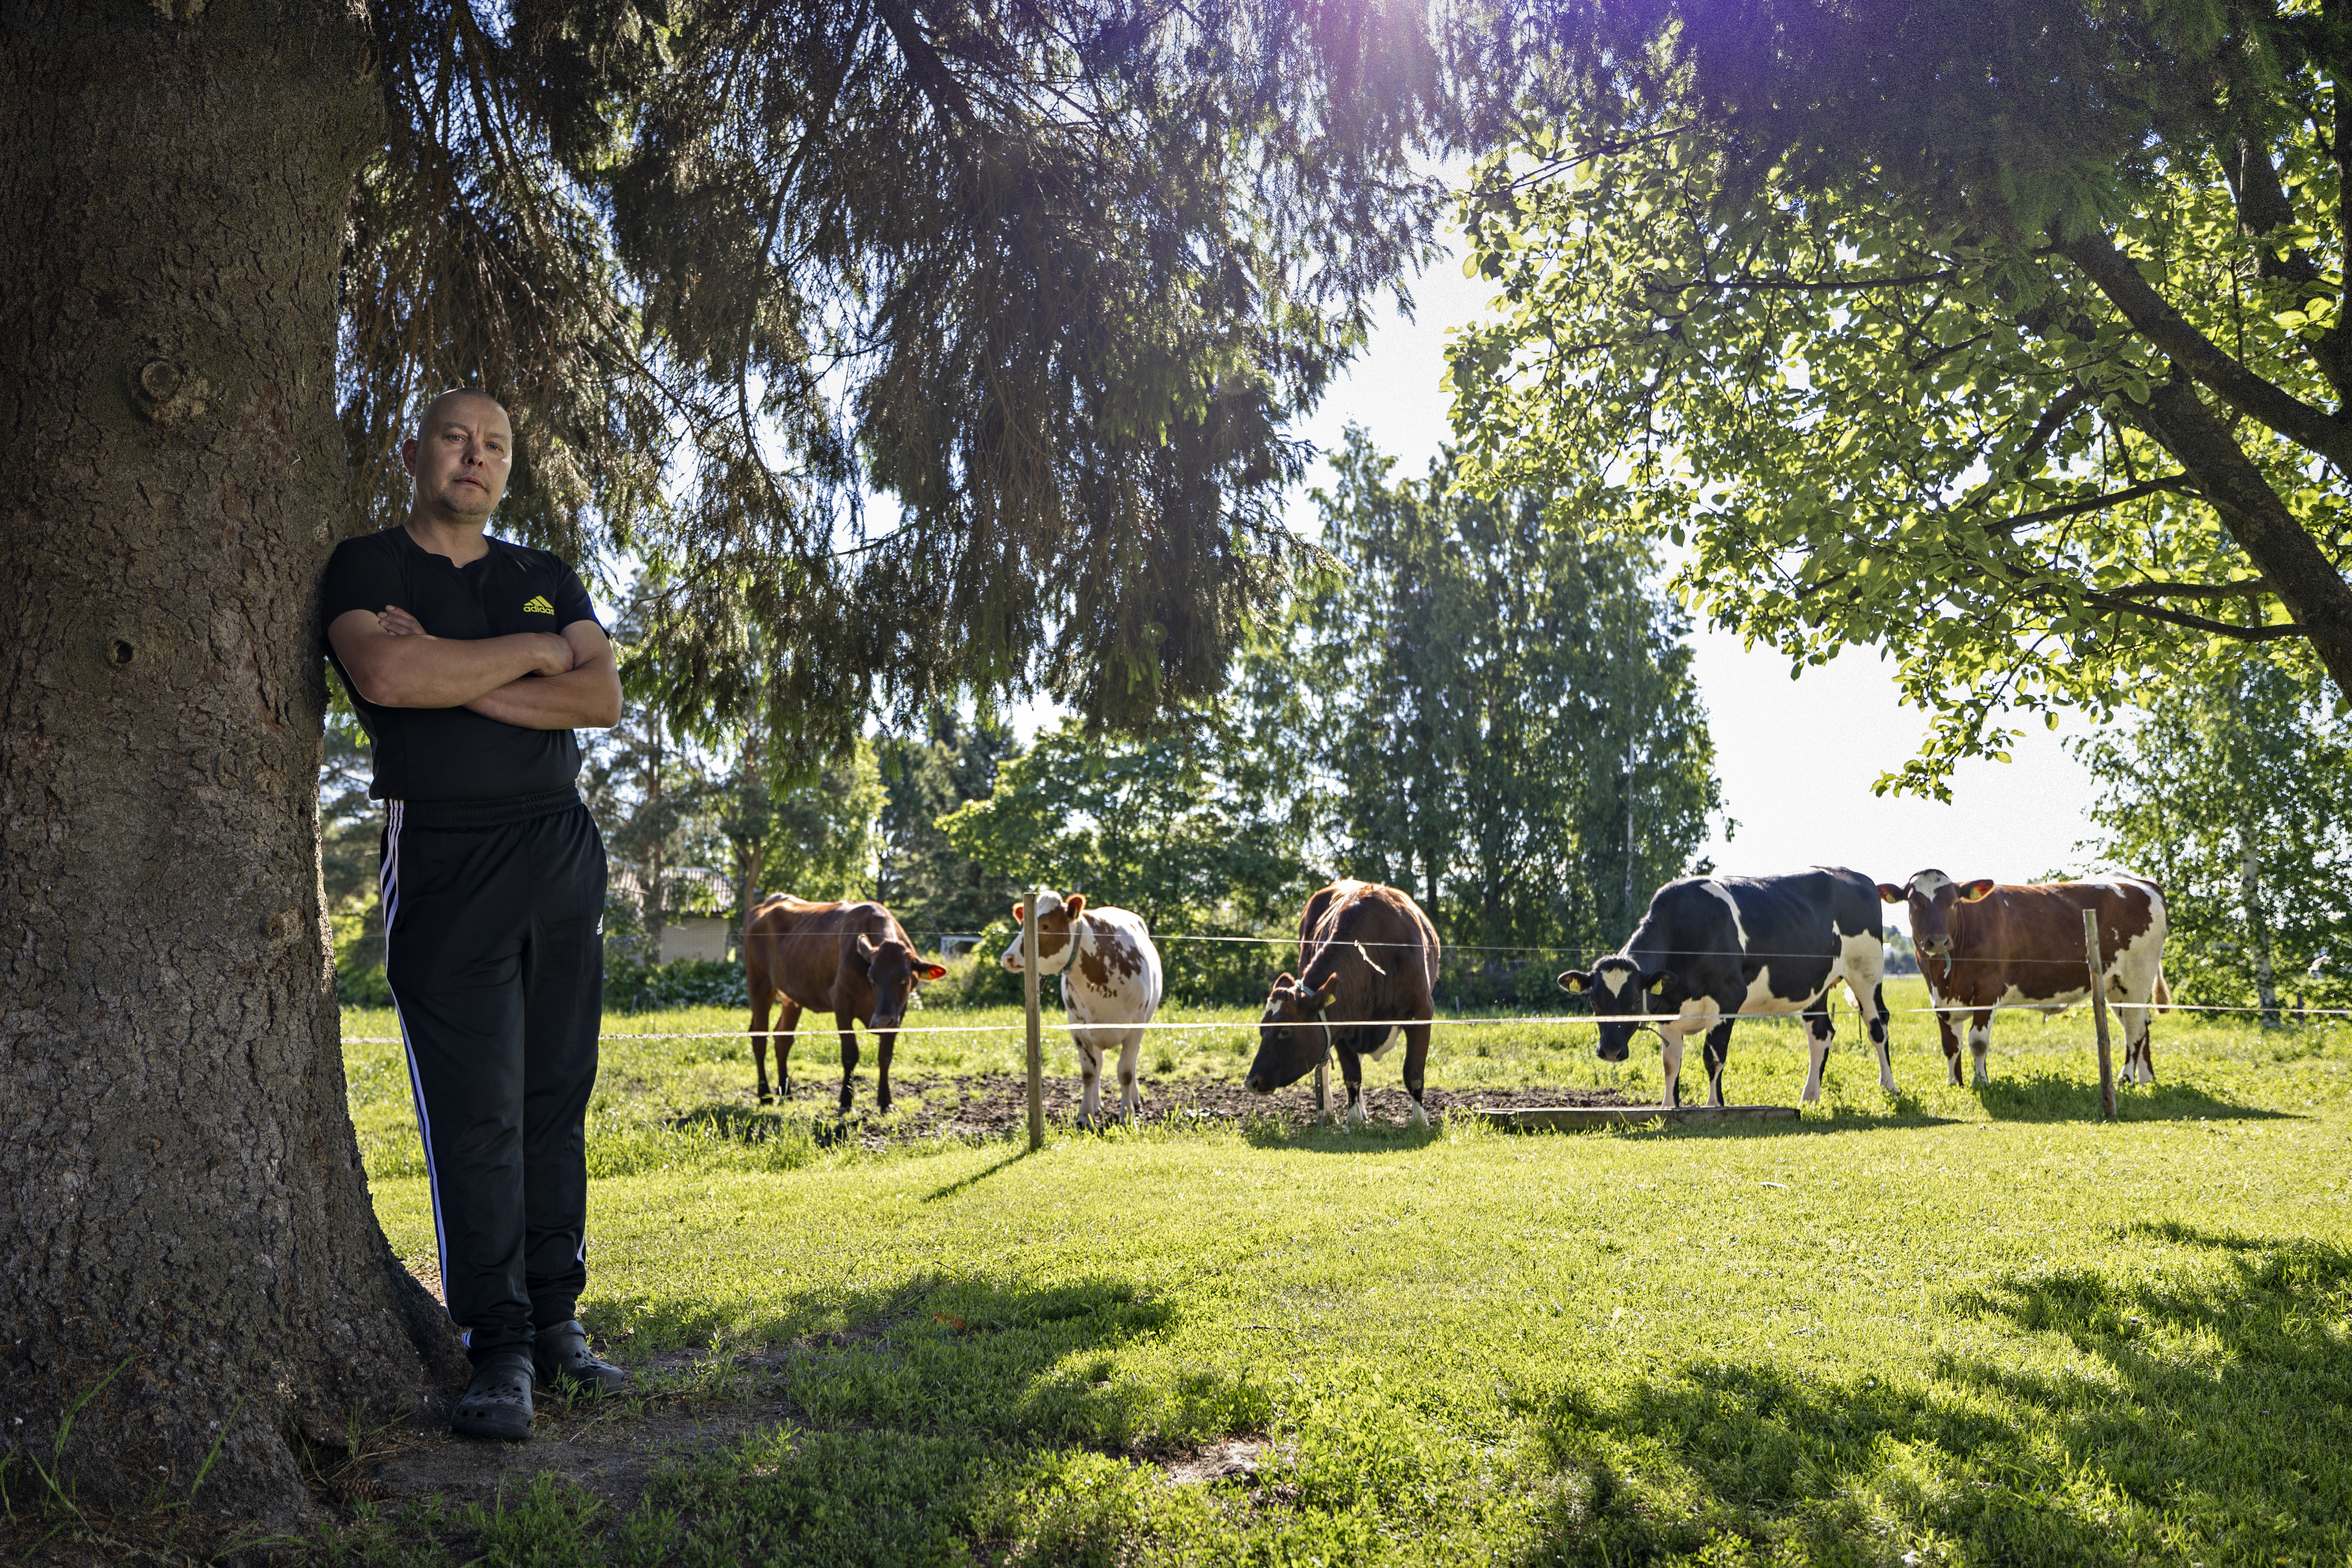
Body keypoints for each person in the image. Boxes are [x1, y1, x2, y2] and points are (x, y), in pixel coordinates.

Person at [322, 389, 627, 1441]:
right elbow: (388, 670)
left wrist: (467, 675)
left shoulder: (541, 575)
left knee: (554, 1099)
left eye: (496, 443)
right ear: (416, 451)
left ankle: (558, 1326)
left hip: (559, 847)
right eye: (458, 437)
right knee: (478, 1115)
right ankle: (494, 1349)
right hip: (445, 853)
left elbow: (600, 701)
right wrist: (533, 658)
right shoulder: (369, 569)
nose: (476, 456)